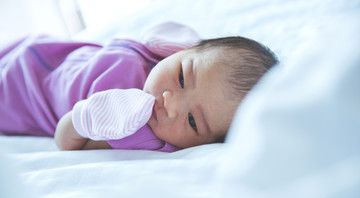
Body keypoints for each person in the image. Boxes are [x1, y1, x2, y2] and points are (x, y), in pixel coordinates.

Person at [0, 22, 278, 152]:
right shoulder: (171, 57)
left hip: (18, 96)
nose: (170, 103)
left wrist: (83, 119)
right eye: (182, 78)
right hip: (46, 49)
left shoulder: (134, 131)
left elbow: (66, 141)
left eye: (192, 120)